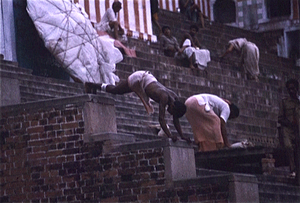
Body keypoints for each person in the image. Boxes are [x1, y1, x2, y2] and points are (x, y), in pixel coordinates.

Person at [85, 70, 191, 143]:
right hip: (139, 79)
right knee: (116, 90)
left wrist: (182, 136)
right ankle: (91, 85)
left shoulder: (175, 99)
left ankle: (94, 86)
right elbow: (161, 119)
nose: (170, 113)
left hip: (148, 80)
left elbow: (176, 119)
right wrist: (170, 135)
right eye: (171, 112)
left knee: (117, 90)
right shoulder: (164, 97)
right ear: (172, 106)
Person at [278, 79, 300, 180]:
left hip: (298, 130)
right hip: (287, 129)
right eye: (289, 89)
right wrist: (289, 123)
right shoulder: (285, 102)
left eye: (293, 89)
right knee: (289, 147)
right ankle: (293, 169)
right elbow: (280, 118)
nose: (291, 91)